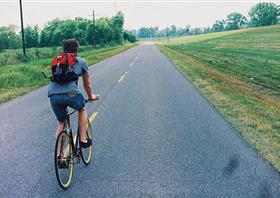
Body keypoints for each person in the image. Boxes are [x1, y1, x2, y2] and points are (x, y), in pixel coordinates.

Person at [48, 38, 99, 148]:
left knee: (61, 122)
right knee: (82, 109)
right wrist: (91, 96)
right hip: (72, 95)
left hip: (53, 95)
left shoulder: (57, 62)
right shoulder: (81, 62)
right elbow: (87, 84)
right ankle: (83, 139)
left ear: (64, 49)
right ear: (77, 50)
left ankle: (59, 154)